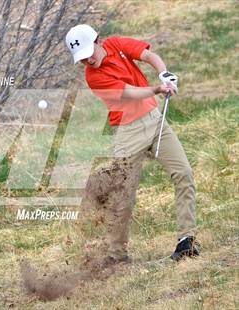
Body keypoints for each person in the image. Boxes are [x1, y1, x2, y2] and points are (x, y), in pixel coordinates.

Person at [65, 24, 199, 262]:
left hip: (155, 122)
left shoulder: (116, 44)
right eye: (82, 59)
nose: (88, 61)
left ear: (98, 41)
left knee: (184, 174)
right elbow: (129, 92)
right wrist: (157, 89)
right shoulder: (93, 76)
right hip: (128, 131)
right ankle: (117, 255)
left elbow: (148, 55)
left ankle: (186, 241)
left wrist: (164, 73)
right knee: (122, 195)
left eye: (89, 54)